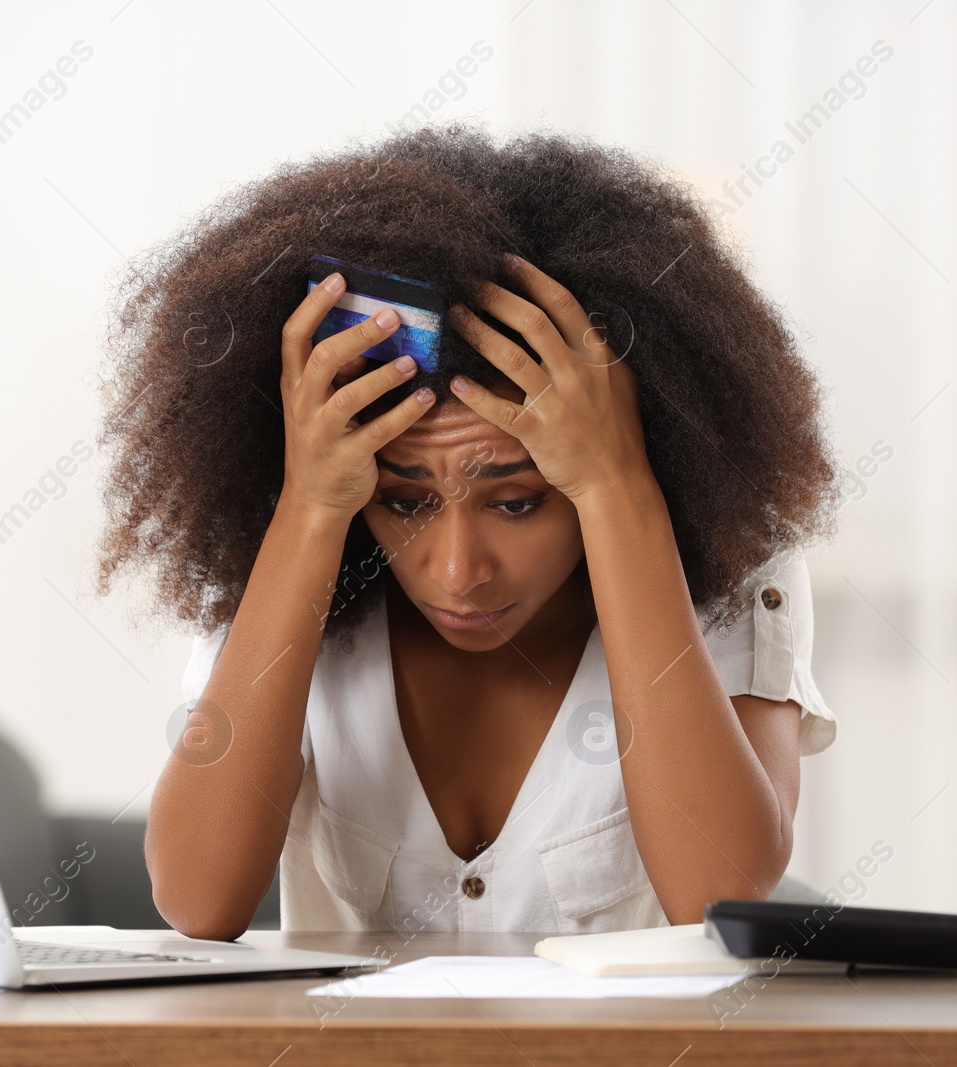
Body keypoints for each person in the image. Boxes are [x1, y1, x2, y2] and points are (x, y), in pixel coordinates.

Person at [96, 123, 841, 939]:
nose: (457, 571)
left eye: (517, 501)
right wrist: (311, 507)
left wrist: (616, 485)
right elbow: (198, 901)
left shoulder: (728, 573)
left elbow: (717, 890)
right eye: (405, 499)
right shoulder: (288, 553)